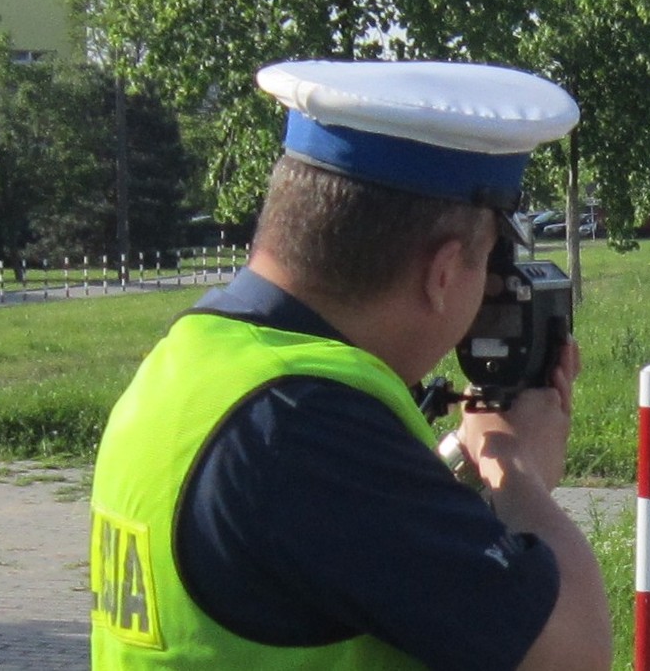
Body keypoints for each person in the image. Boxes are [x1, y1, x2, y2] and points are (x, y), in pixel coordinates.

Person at [89, 60, 612, 670]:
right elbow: (569, 654)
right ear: (443, 273)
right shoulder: (306, 425)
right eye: (488, 267)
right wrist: (518, 474)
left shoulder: (194, 361)